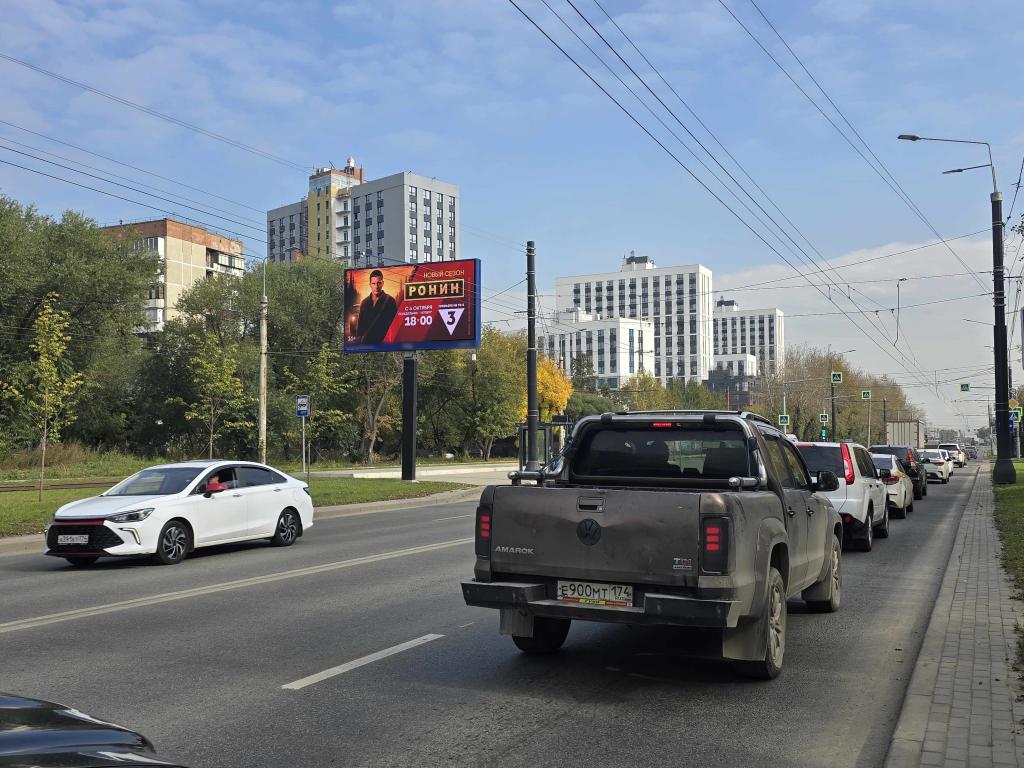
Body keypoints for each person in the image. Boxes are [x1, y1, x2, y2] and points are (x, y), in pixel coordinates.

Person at [355, 269, 399, 344]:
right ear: (370, 284)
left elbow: (394, 326)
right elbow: (360, 328)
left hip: (384, 343)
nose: (376, 286)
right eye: (374, 283)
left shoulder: (390, 301)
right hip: (367, 344)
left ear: (383, 283)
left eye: (379, 283)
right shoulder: (364, 303)